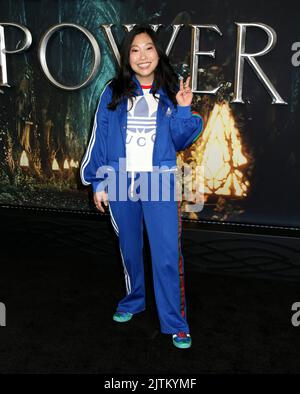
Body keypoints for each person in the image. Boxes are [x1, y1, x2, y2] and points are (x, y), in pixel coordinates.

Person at [80, 24, 203, 349]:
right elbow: (101, 138)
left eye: (148, 48)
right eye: (134, 50)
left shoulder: (171, 90)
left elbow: (181, 139)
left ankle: (175, 323)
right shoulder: (114, 91)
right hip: (120, 180)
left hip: (159, 182)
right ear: (127, 56)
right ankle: (134, 300)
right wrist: (99, 180)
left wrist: (183, 108)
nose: (142, 56)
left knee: (166, 255)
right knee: (130, 250)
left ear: (157, 51)